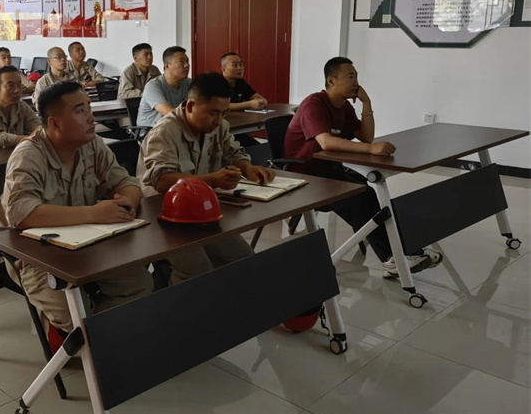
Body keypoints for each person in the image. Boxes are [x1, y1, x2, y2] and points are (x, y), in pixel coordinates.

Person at [0, 80, 152, 334]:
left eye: (89, 108)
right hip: (37, 257)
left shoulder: (92, 144)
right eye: (80, 111)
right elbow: (22, 214)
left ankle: (99, 339)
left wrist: (126, 203)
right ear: (54, 124)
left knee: (139, 284)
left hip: (86, 244)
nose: (91, 117)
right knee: (74, 315)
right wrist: (95, 213)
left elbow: (127, 182)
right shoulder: (29, 154)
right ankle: (81, 338)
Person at [284, 57, 443, 278]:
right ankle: (392, 259)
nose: (356, 82)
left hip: (330, 171)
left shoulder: (344, 107)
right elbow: (326, 142)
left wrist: (367, 104)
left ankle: (405, 253)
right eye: (350, 76)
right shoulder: (314, 104)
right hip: (305, 177)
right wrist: (370, 149)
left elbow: (366, 136)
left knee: (372, 195)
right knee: (358, 199)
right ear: (331, 80)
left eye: (356, 76)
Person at [139, 73, 275, 284]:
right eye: (213, 113)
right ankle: (178, 298)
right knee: (198, 272)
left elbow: (233, 152)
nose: (219, 120)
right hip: (164, 217)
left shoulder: (218, 126)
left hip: (201, 212)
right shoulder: (165, 132)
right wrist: (213, 180)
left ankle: (228, 302)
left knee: (244, 259)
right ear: (190, 106)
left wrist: (248, 168)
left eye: (224, 113)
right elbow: (162, 180)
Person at [220, 52, 268, 147]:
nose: (240, 68)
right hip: (222, 129)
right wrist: (249, 104)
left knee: (259, 148)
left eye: (241, 64)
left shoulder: (240, 82)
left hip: (238, 124)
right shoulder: (218, 82)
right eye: (235, 65)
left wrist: (261, 102)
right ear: (224, 69)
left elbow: (262, 99)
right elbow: (222, 106)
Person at [137, 46, 191, 128]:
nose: (186, 65)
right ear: (167, 65)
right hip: (152, 132)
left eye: (187, 61)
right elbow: (171, 114)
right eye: (181, 61)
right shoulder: (153, 86)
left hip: (175, 128)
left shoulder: (188, 83)